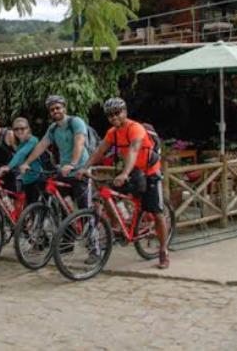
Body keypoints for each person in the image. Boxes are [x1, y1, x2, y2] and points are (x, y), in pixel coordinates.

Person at [78, 97, 170, 269]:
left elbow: (134, 150)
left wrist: (125, 173)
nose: (114, 118)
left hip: (150, 172)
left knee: (157, 213)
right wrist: (85, 168)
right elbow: (100, 150)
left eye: (117, 113)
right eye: (110, 115)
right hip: (133, 171)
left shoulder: (136, 128)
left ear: (125, 112)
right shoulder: (112, 132)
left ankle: (163, 251)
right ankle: (118, 227)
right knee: (106, 194)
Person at [20, 95, 90, 208]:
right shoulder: (53, 128)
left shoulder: (76, 122)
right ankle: (70, 223)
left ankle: (88, 225)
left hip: (80, 169)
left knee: (84, 206)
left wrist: (72, 164)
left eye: (58, 108)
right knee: (64, 204)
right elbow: (42, 145)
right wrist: (26, 163)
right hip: (64, 170)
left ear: (64, 109)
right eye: (52, 110)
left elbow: (79, 143)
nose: (55, 111)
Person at [0, 117, 43, 204]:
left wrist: (8, 167)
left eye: (22, 128)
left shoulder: (33, 140)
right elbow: (18, 159)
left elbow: (21, 154)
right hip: (26, 180)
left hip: (37, 178)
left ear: (28, 129)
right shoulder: (21, 144)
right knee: (28, 208)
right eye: (16, 129)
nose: (19, 131)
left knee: (34, 207)